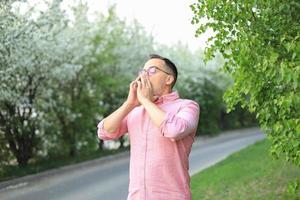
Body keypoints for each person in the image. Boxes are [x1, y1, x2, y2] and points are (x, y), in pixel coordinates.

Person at [97, 54, 200, 200]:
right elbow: (104, 132)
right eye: (143, 72)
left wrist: (145, 100)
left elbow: (174, 130)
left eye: (152, 70)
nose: (144, 76)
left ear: (168, 79)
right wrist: (129, 104)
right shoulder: (136, 110)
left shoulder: (187, 106)